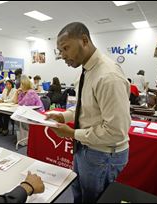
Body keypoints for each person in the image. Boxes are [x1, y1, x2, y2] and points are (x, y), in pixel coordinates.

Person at [46, 22, 130, 203]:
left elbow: (115, 131)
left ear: (84, 41)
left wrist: (72, 133)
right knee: (80, 194)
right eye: (60, 51)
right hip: (85, 147)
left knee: (93, 199)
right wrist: (64, 115)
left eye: (66, 48)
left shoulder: (108, 76)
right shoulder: (85, 71)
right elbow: (85, 107)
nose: (62, 56)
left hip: (103, 154)